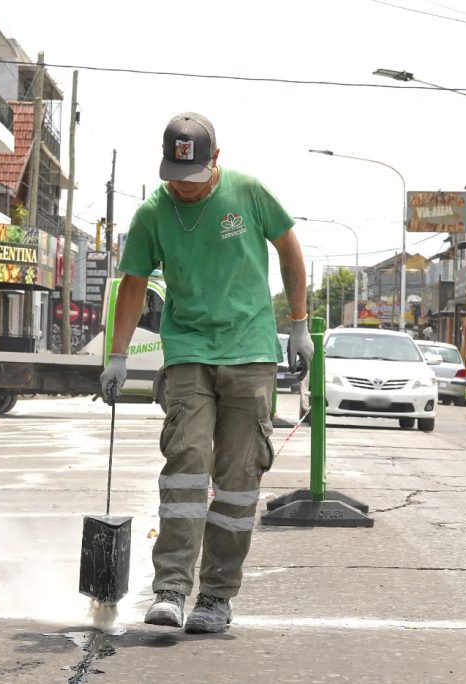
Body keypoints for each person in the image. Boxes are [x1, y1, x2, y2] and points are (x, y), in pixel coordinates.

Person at [100, 112, 311, 634]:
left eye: (192, 176)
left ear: (215, 160)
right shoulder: (153, 213)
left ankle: (216, 596)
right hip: (189, 351)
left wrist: (299, 325)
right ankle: (171, 588)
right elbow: (132, 283)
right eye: (174, 174)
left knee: (238, 481)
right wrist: (118, 353)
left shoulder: (249, 193)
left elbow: (289, 250)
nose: (183, 186)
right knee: (187, 463)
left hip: (251, 352)